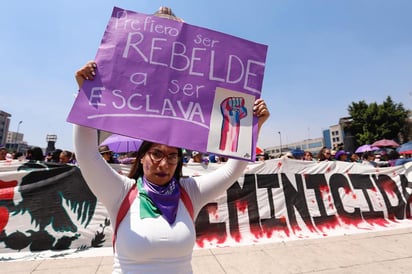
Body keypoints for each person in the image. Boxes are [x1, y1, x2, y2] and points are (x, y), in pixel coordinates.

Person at [74, 45, 269, 274]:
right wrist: (86, 95)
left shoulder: (189, 193)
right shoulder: (120, 192)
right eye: (156, 154)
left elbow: (231, 171)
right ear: (142, 156)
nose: (164, 164)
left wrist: (252, 126)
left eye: (172, 156)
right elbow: (87, 155)